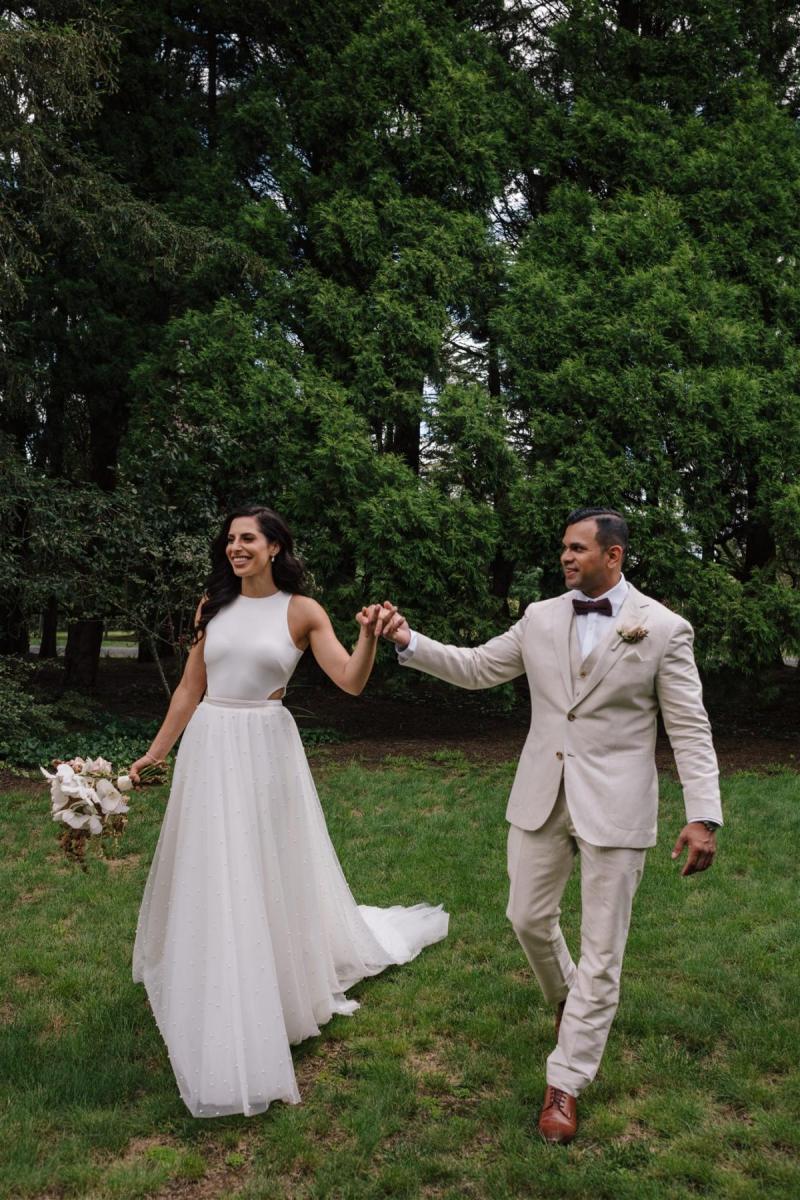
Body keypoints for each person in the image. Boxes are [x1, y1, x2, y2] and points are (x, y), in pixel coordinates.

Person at [376, 507, 722, 1144]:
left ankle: (565, 1080)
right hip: (541, 794)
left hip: (616, 805)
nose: (565, 558)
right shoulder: (539, 617)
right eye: (563, 548)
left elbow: (690, 726)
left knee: (602, 949)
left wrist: (702, 813)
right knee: (526, 917)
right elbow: (479, 667)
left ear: (612, 556)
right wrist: (407, 641)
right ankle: (567, 998)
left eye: (577, 549)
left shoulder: (665, 629)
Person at [130, 504, 448, 1118]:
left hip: (264, 747)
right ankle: (214, 967)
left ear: (275, 546)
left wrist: (366, 637)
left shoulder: (301, 611)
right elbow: (191, 689)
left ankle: (273, 978)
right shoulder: (210, 607)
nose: (235, 548)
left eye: (247, 539)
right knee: (211, 860)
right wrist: (154, 753)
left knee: (264, 863)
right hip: (210, 745)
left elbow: (350, 682)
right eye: (229, 540)